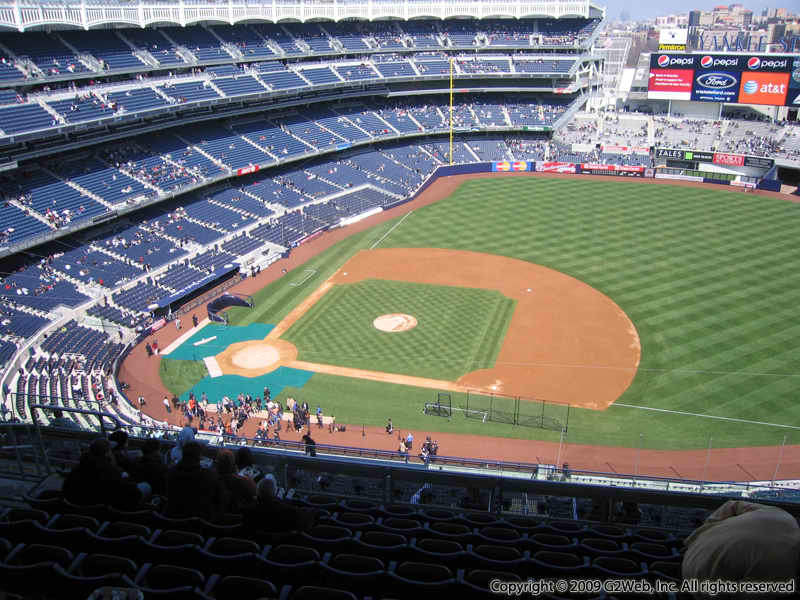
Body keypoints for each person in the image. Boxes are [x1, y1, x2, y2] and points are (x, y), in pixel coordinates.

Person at [682, 500, 800, 595]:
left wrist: (697, 536)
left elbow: (731, 505)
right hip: (695, 578)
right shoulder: (782, 569)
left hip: (694, 545)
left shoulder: (784, 516)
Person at [63, 438, 144, 511]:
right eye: (110, 451)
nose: (112, 453)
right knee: (144, 487)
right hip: (99, 511)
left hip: (77, 508)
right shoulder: (109, 470)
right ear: (106, 454)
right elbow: (132, 492)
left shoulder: (78, 468)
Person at [165, 442, 225, 522]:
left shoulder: (170, 473)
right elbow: (220, 501)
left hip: (171, 522)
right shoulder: (208, 476)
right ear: (199, 457)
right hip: (199, 525)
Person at [241, 475, 316, 535]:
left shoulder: (247, 510)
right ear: (274, 492)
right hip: (283, 547)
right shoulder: (287, 511)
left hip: (260, 545)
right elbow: (306, 523)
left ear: (257, 492)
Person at [214, 449, 256, 513]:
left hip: (214, 519)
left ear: (216, 465)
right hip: (240, 519)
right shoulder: (246, 482)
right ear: (234, 465)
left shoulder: (209, 480)